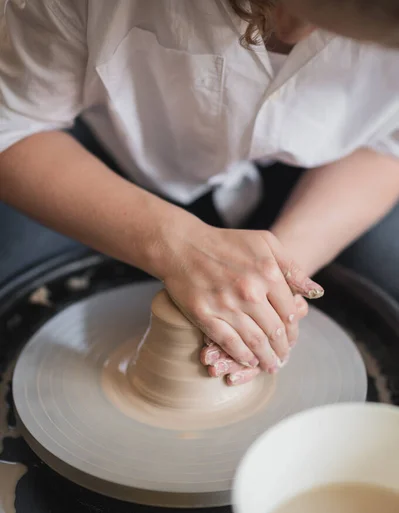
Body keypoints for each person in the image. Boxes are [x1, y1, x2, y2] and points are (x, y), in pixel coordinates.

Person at [0, 0, 398, 387]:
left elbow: (389, 145)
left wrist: (272, 281)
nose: (287, 28)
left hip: (317, 172)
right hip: (114, 149)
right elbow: (12, 125)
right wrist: (172, 242)